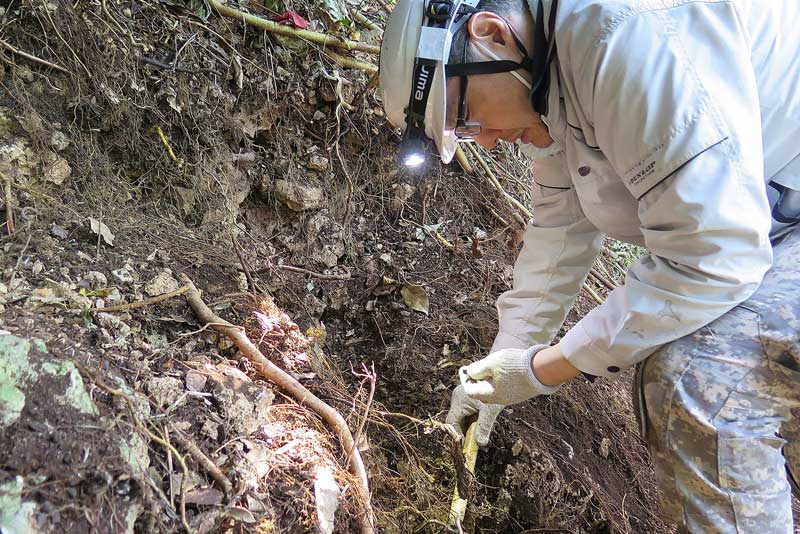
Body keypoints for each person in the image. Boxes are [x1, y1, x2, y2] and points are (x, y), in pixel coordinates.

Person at [379, 0, 800, 531]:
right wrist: (504, 361)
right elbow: (561, 225)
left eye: (464, 117)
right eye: (465, 134)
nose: (482, 139)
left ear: (490, 35)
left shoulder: (625, 38)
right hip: (775, 228)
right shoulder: (550, 74)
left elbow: (711, 261)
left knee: (694, 376)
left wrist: (543, 369)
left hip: (770, 232)